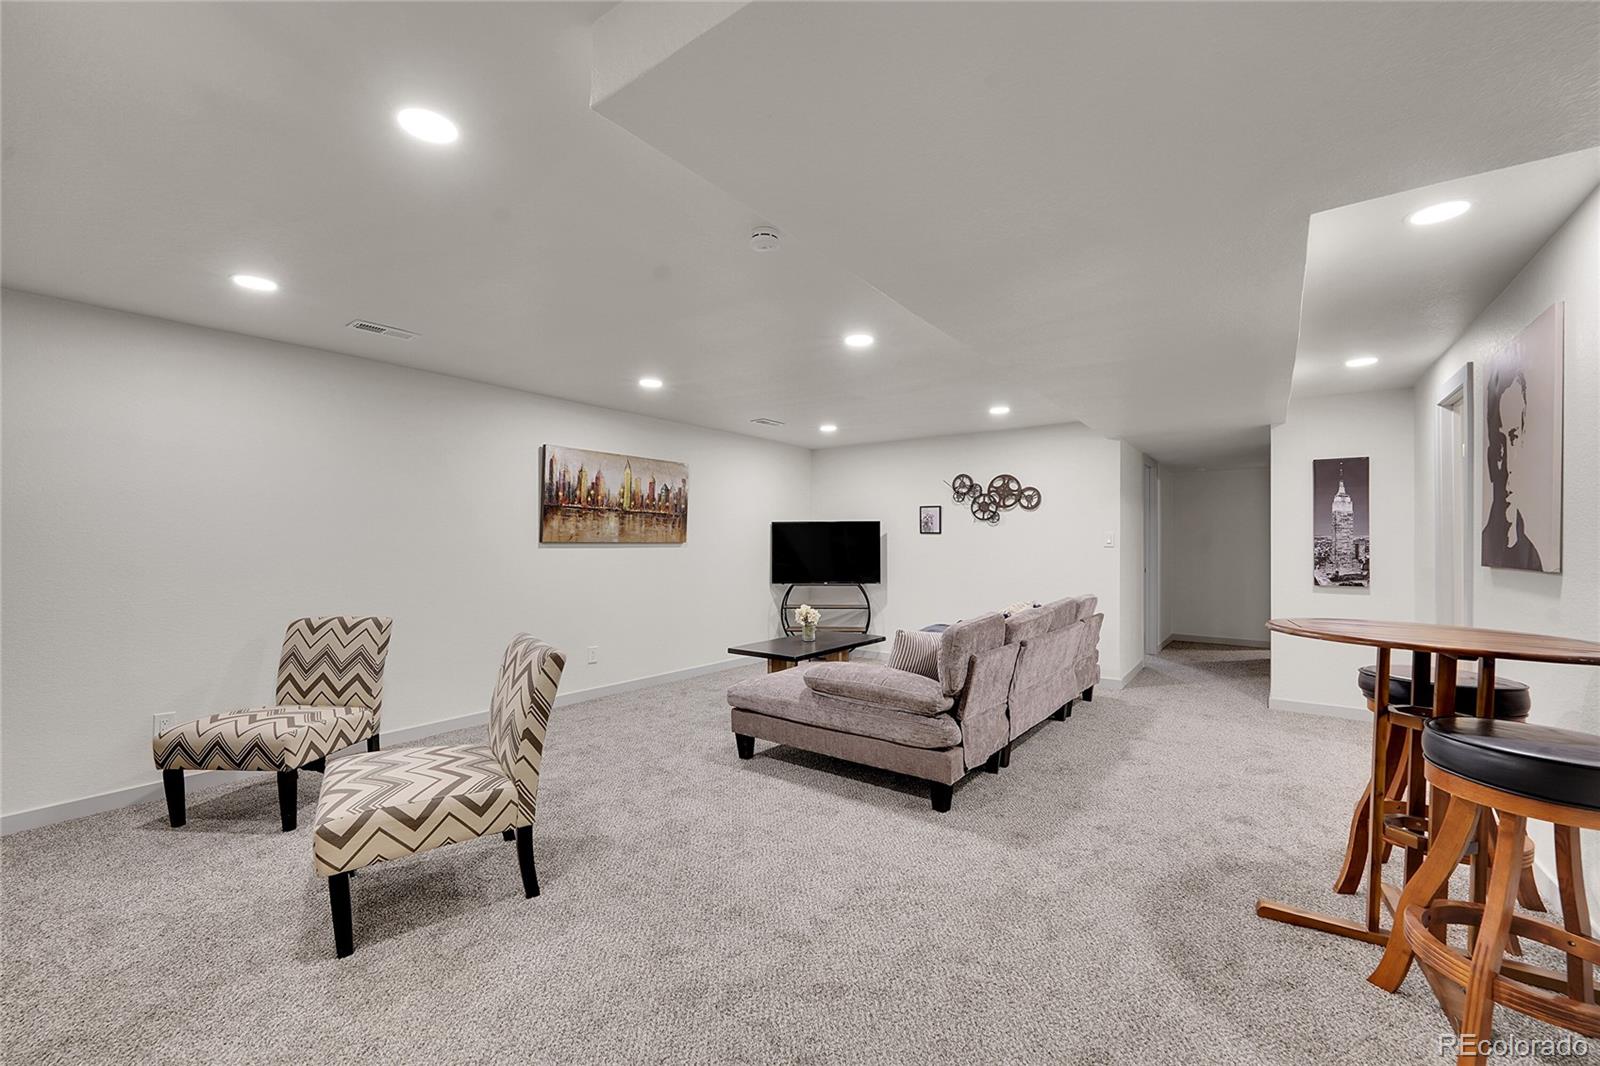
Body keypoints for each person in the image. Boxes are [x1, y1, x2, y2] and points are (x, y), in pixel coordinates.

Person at [1482, 362, 1543, 570]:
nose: (1507, 464)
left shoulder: (1534, 559)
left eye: (1514, 437)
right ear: (1490, 458)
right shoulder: (1482, 545)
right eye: (1499, 444)